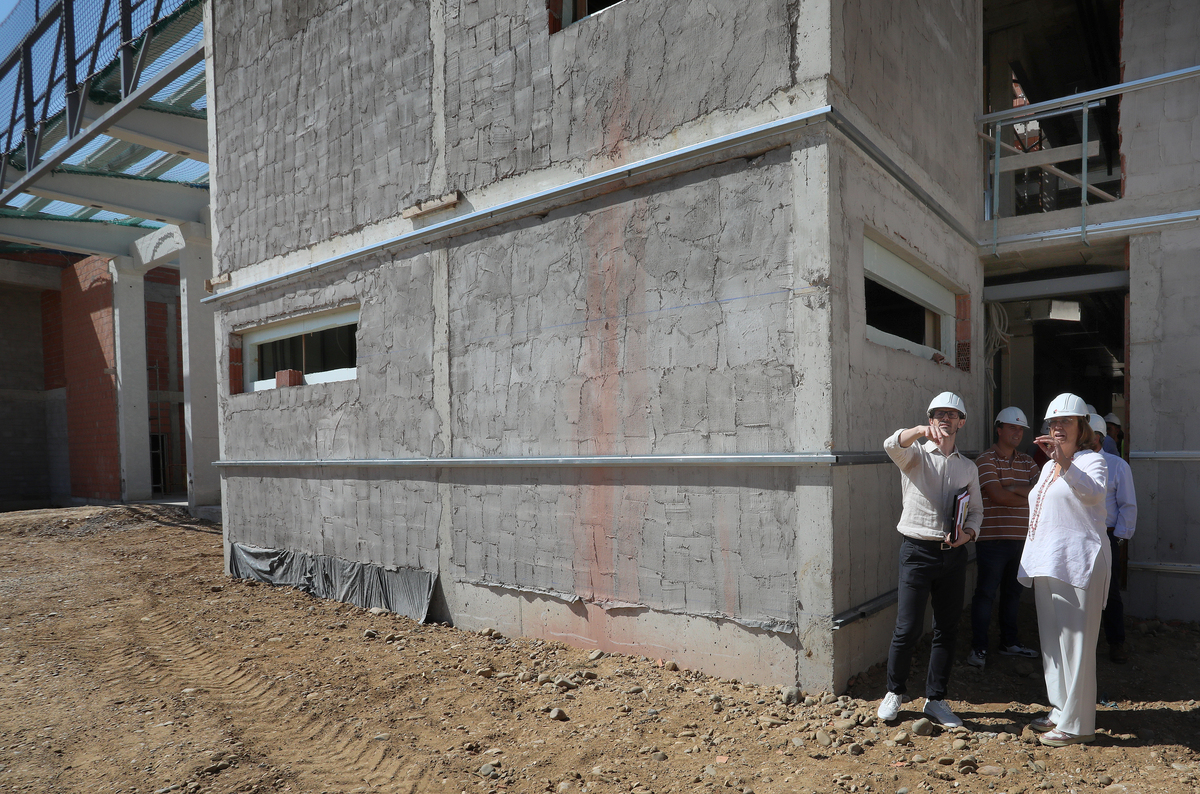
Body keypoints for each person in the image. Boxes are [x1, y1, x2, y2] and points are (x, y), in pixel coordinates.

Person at [877, 392, 983, 729]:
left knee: (946, 629)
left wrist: (968, 534)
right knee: (906, 628)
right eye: (938, 414)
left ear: (961, 422)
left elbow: (977, 511)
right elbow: (891, 444)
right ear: (930, 418)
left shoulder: (968, 467)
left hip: (953, 556)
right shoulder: (915, 457)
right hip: (917, 553)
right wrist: (920, 430)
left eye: (952, 414)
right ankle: (894, 692)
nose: (945, 419)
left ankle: (935, 699)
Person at [1017, 393, 1109, 747]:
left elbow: (1093, 494)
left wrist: (1065, 464)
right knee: (1053, 643)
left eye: (1065, 422)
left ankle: (1078, 723)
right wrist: (1056, 463)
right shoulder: (1046, 467)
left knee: (1076, 645)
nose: (1057, 428)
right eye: (1053, 423)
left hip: (1080, 561)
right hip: (1048, 560)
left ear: (1082, 427)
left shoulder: (1091, 461)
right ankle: (1060, 709)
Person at [968, 407, 1041, 669]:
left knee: (1013, 593)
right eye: (1012, 427)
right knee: (986, 594)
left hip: (1023, 541)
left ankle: (1009, 643)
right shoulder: (985, 460)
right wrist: (1024, 494)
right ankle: (979, 648)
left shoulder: (1027, 461)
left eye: (1020, 429)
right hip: (993, 541)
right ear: (999, 429)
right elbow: (997, 496)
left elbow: (1041, 495)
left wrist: (1011, 487)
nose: (1017, 432)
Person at [1088, 414, 1137, 663]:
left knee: (1110, 591)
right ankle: (1082, 646)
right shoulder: (1069, 464)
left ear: (1099, 437)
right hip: (1078, 535)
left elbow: (1128, 505)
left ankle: (1116, 642)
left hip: (1105, 536)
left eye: (1088, 433)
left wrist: (1118, 538)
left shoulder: (1117, 466)